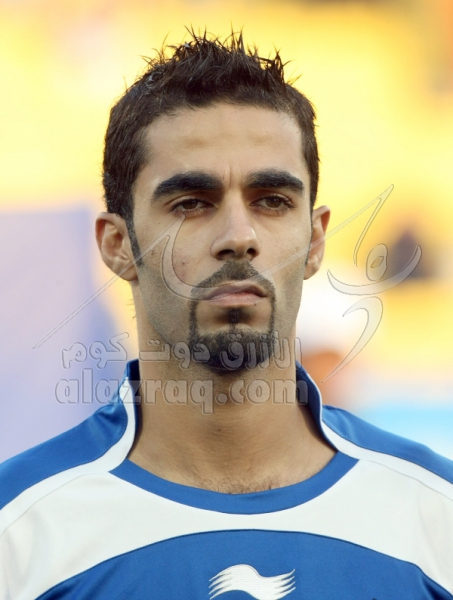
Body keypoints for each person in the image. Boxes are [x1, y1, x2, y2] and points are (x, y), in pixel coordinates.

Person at [1, 32, 453, 600]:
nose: (239, 236)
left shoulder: (437, 517)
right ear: (118, 245)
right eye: (192, 203)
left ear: (315, 241)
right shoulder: (18, 532)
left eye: (272, 201)